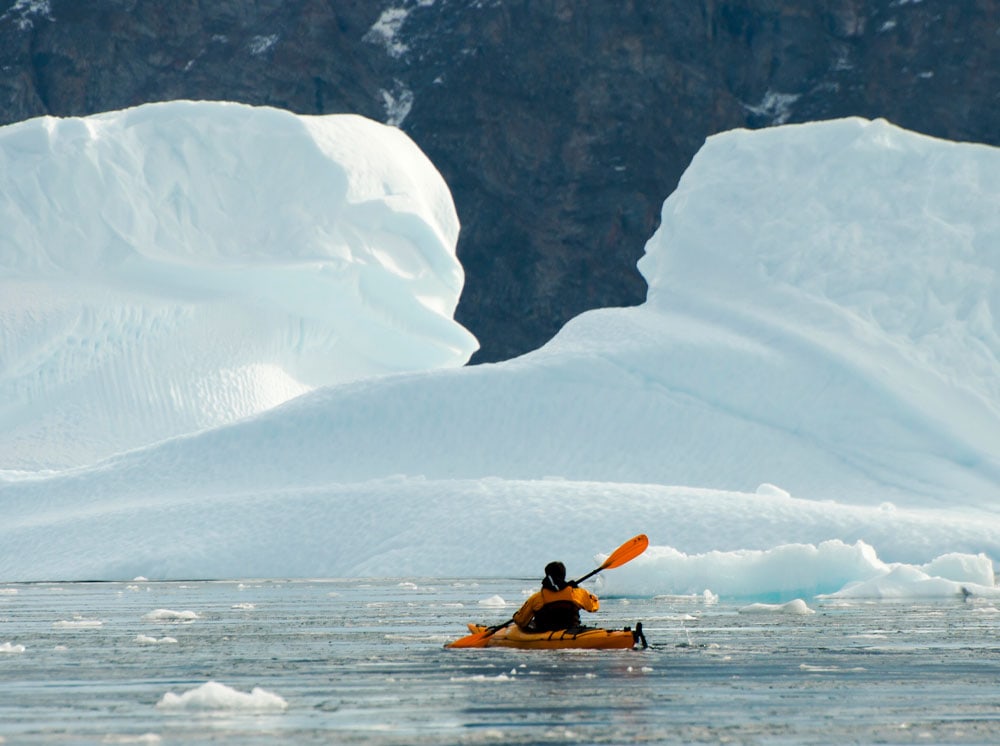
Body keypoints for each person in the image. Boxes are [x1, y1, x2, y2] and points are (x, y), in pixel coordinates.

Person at [513, 561, 600, 632]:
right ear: (563, 575)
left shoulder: (537, 597)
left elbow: (521, 621)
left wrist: (516, 616)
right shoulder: (575, 593)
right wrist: (579, 590)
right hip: (571, 631)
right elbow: (594, 607)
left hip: (545, 633)